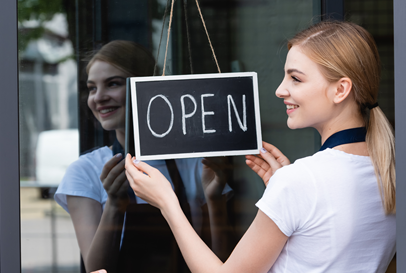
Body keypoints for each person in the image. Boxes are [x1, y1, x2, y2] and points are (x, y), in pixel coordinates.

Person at [123, 20, 396, 272]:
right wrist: (286, 188)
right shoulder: (389, 171)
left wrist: (167, 202)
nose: (280, 90)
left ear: (341, 90)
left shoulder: (300, 181)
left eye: (296, 78)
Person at [54, 40, 232, 273]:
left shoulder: (193, 163)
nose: (98, 98)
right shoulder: (85, 171)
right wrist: (115, 206)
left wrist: (215, 201)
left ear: (147, 87)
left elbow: (223, 265)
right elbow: (95, 270)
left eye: (113, 84)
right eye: (92, 88)